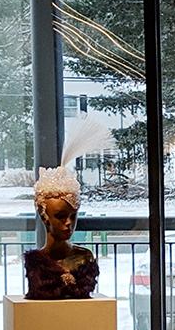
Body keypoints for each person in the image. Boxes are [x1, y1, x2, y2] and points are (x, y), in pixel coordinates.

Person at [24, 116, 111, 300]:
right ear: (44, 216)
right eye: (60, 216)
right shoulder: (36, 263)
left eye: (73, 216)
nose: (69, 223)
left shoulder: (84, 258)